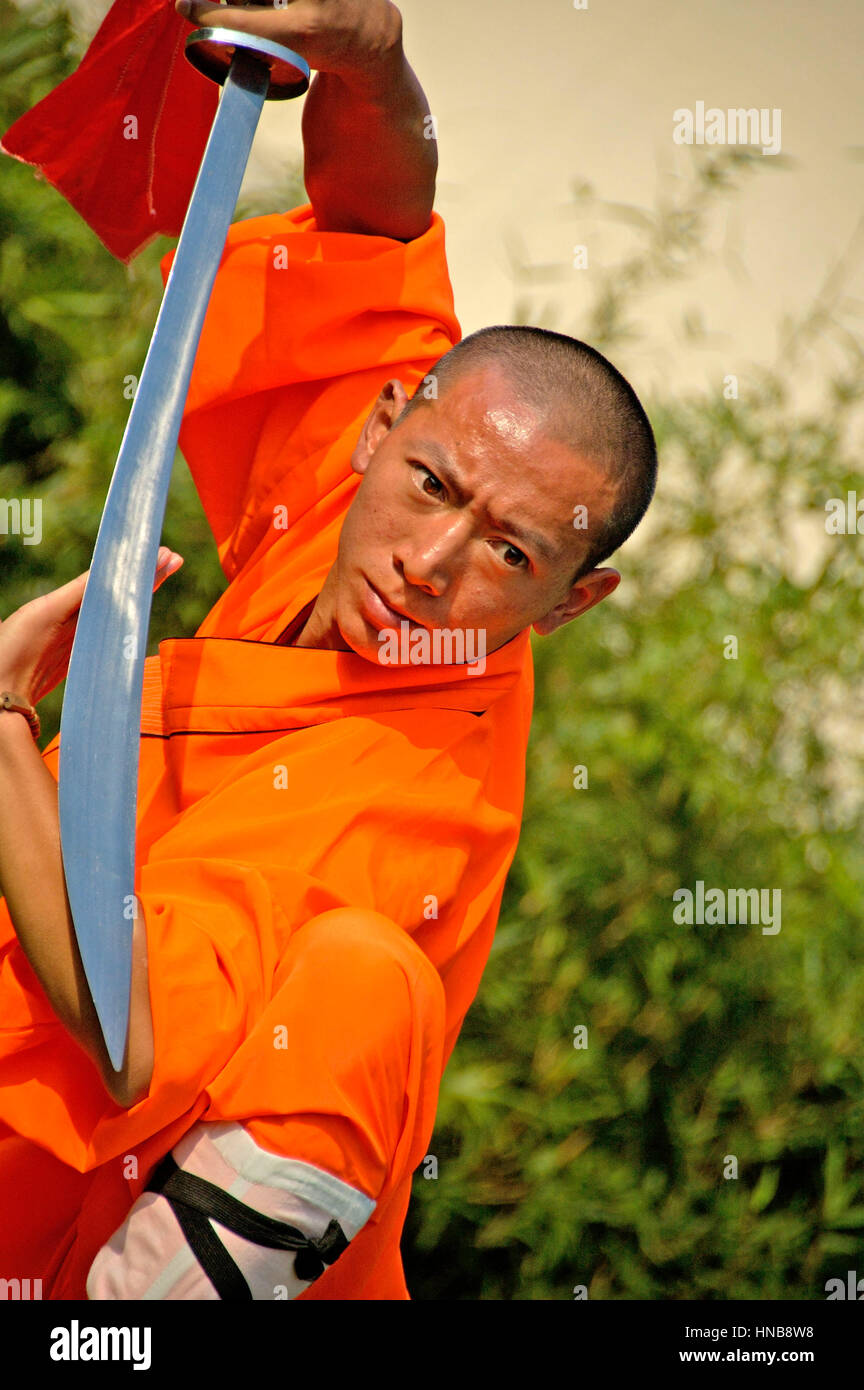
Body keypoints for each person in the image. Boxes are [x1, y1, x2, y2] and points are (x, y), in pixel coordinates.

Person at [0, 0, 657, 1301]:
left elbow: (123, 1017)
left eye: (513, 555)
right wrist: (369, 53)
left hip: (126, 1251)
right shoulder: (379, 509)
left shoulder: (414, 793)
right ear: (382, 432)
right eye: (430, 485)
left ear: (573, 600)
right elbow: (373, 229)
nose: (433, 558)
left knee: (367, 984)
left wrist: (4, 722)